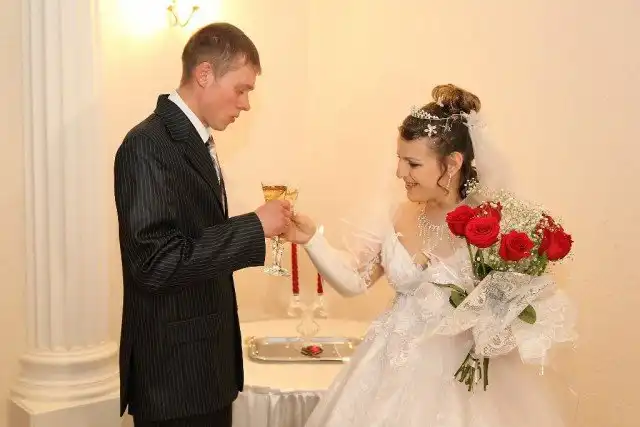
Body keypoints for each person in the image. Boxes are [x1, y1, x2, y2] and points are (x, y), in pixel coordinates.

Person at [284, 84, 577, 426]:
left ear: (452, 163)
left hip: (460, 384)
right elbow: (354, 280)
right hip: (388, 370)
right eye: (399, 159)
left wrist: (493, 326)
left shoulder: (493, 225)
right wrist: (311, 240)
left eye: (412, 163)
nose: (400, 173)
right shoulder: (396, 214)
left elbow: (511, 309)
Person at [113, 22, 292, 427]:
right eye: (241, 89)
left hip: (203, 368)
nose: (246, 104)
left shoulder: (194, 140)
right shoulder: (147, 144)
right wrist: (253, 227)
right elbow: (154, 263)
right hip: (175, 378)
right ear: (205, 74)